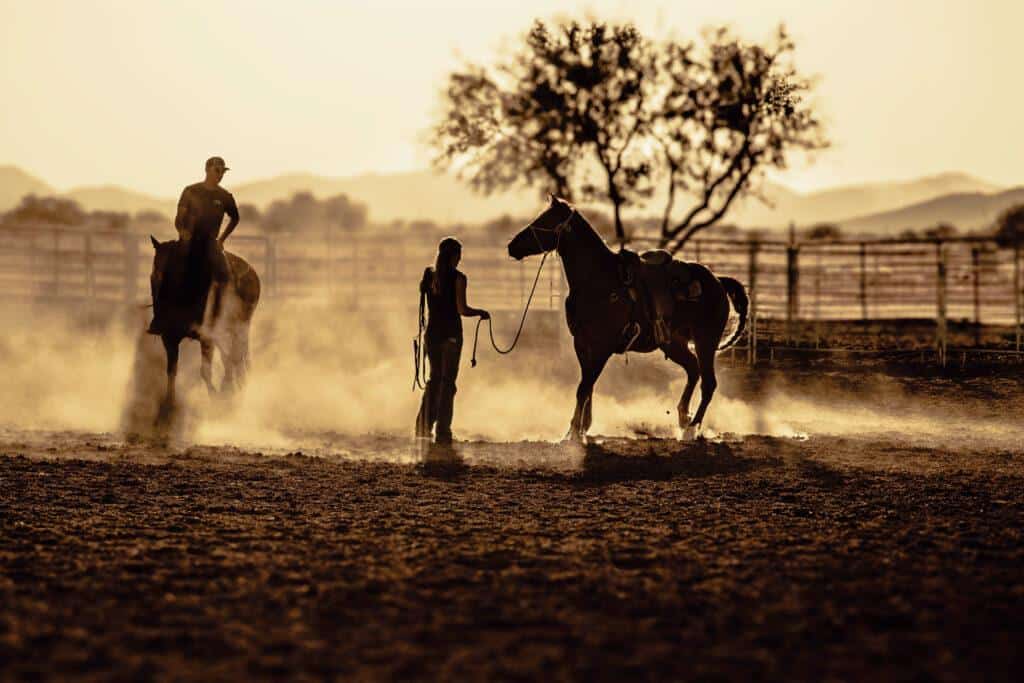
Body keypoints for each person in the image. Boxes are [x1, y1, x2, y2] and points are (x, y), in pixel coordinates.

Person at [149, 156, 240, 334]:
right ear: (207, 169)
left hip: (210, 243)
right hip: (188, 242)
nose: (220, 174)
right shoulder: (191, 191)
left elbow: (235, 218)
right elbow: (178, 217)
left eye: (223, 171)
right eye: (217, 170)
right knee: (165, 271)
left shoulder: (225, 196)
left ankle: (216, 320)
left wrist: (222, 239)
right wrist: (182, 230)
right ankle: (160, 318)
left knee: (225, 275)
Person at [415, 237, 490, 444]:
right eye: (459, 255)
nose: (460, 259)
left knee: (434, 379)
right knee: (448, 383)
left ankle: (422, 426)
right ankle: (443, 431)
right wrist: (480, 313)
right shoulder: (459, 278)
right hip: (451, 336)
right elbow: (462, 310)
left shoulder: (429, 274)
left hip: (432, 334)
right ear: (454, 256)